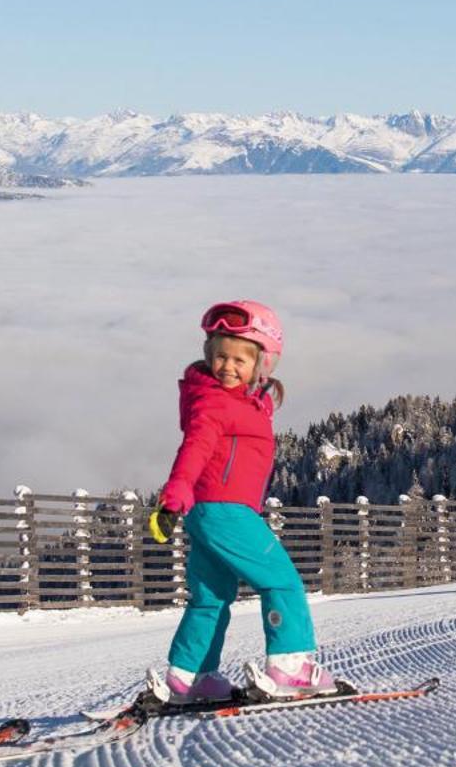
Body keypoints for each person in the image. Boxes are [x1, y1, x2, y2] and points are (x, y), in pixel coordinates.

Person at [139, 301, 337, 708]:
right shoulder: (215, 403)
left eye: (239, 360)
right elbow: (195, 447)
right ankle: (289, 666)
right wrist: (174, 494)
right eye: (220, 357)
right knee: (281, 581)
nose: (227, 366)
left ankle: (190, 677)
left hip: (209, 512)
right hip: (225, 510)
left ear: (262, 364)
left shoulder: (241, 402)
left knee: (210, 597)